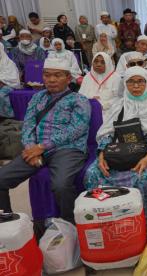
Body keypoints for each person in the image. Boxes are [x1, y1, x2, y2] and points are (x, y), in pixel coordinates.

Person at [0, 58, 91, 223]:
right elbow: (28, 125)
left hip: (68, 149)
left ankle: (70, 224)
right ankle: (7, 223)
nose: (51, 80)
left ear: (68, 78)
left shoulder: (79, 100)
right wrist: (30, 148)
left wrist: (42, 146)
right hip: (36, 149)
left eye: (57, 75)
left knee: (60, 185)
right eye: (47, 75)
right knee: (1, 178)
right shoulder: (37, 98)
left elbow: (77, 129)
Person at [84, 66, 147, 226]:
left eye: (140, 81)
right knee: (92, 173)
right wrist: (101, 154)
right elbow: (106, 133)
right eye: (131, 82)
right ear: (125, 84)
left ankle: (144, 222)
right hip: (118, 150)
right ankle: (106, 216)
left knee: (141, 178)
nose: (136, 86)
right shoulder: (118, 105)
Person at [0, 44, 20, 118]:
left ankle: (7, 115)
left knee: (1, 95)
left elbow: (13, 78)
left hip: (8, 85)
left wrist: (2, 81)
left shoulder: (9, 63)